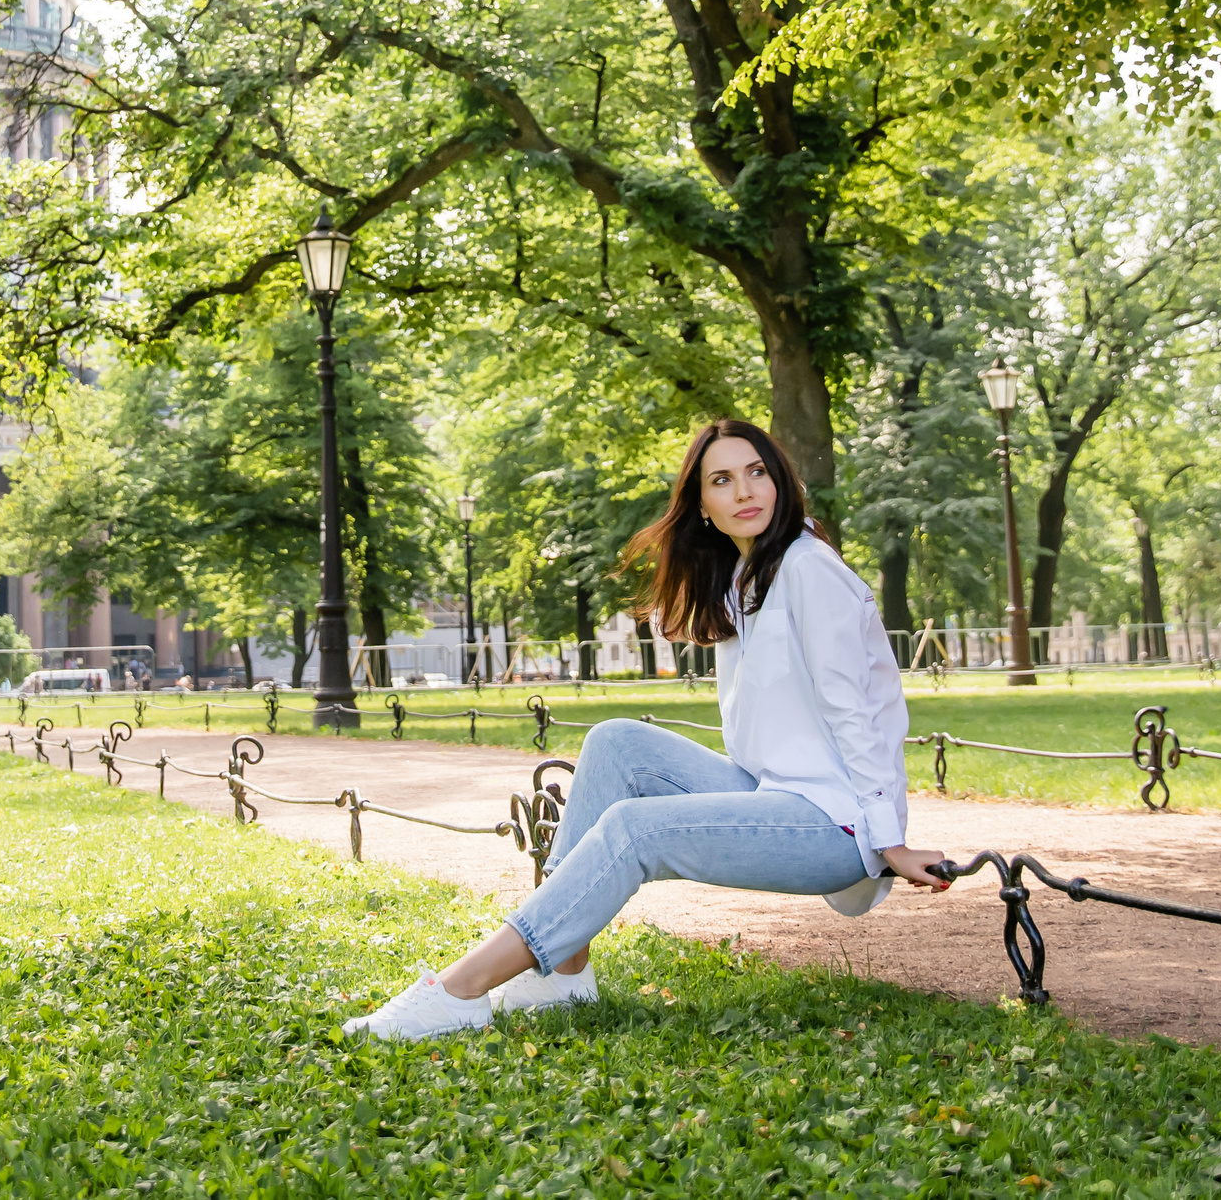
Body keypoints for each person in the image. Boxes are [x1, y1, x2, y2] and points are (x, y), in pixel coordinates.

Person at [343, 417, 952, 1041]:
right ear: (704, 507)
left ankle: (458, 990)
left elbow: (859, 714)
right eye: (722, 480)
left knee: (635, 831)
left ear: (781, 482)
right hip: (780, 793)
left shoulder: (807, 567)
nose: (745, 492)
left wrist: (891, 842)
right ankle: (565, 972)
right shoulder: (749, 575)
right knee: (616, 742)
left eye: (757, 473)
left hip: (837, 825)